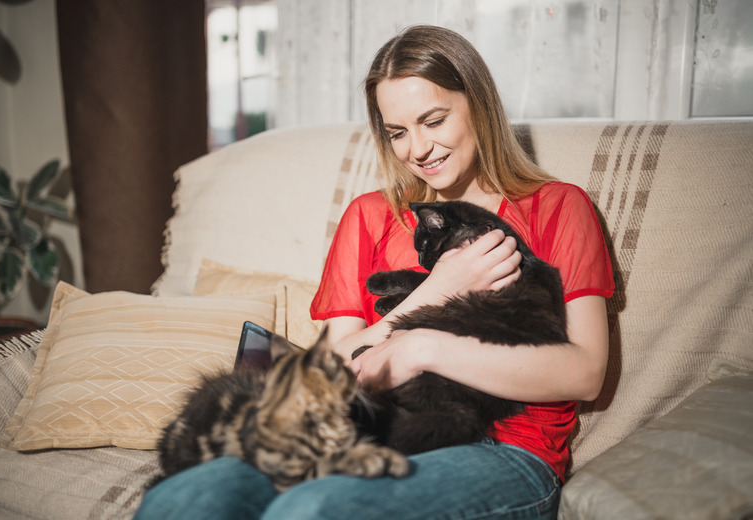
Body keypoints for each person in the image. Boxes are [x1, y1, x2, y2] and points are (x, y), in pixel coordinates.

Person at [135, 25, 614, 520]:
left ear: (478, 104)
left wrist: (424, 348)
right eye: (399, 133)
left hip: (505, 450)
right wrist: (432, 295)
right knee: (185, 497)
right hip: (368, 429)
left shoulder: (557, 207)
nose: (418, 149)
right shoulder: (370, 216)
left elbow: (584, 373)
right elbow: (337, 362)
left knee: (314, 509)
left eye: (434, 120)